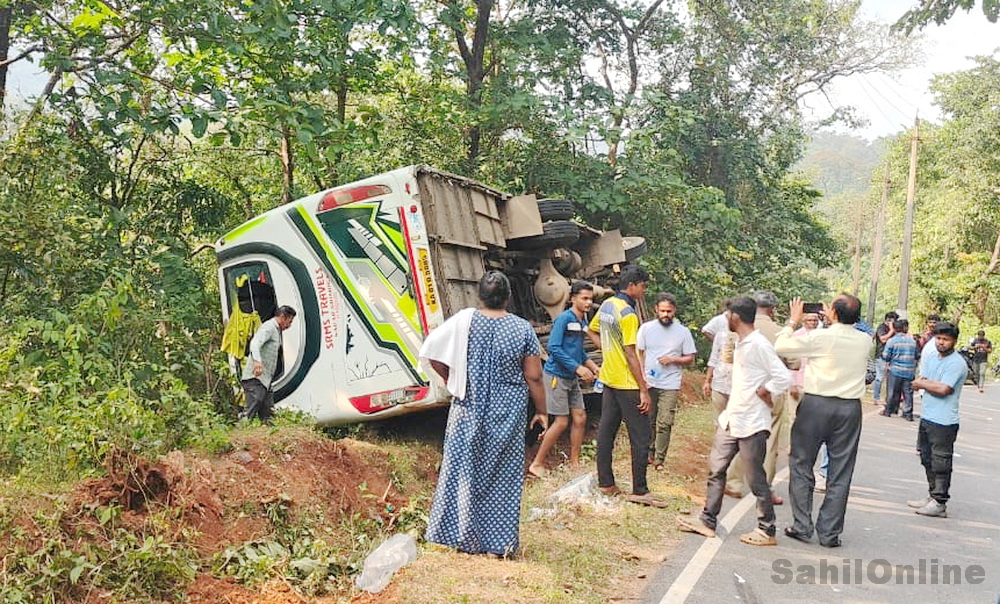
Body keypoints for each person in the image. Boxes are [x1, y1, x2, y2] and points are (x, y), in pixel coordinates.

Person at [421, 271, 548, 556]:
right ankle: (498, 544)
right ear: (508, 297)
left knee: (463, 470)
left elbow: (432, 352)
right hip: (508, 413)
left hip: (467, 409)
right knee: (503, 475)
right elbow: (534, 376)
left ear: (479, 295)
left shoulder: (462, 323)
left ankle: (460, 537)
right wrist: (542, 411)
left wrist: (452, 380)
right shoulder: (521, 329)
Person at [676, 296, 791, 546]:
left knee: (755, 477)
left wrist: (765, 390)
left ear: (735, 317)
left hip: (752, 422)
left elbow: (783, 376)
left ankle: (766, 529)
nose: (725, 319)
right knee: (716, 468)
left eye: (727, 315)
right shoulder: (740, 342)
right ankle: (708, 519)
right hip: (732, 418)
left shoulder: (758, 344)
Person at [776, 294, 872, 548]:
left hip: (817, 404)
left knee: (801, 463)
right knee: (841, 471)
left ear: (834, 314)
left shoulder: (820, 337)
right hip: (849, 408)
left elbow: (782, 347)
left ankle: (802, 525)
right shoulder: (865, 341)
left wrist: (792, 321)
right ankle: (829, 533)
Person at [589, 265, 665, 506]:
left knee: (606, 433)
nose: (643, 291)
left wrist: (608, 350)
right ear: (632, 286)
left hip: (609, 379)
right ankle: (640, 490)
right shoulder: (628, 314)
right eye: (642, 286)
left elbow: (591, 330)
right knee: (641, 436)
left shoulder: (607, 305)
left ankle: (606, 483)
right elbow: (631, 353)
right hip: (627, 383)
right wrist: (643, 388)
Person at [528, 281, 600, 477]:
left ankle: (574, 463)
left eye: (590, 299)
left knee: (580, 418)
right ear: (572, 299)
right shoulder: (564, 319)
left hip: (571, 377)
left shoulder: (582, 321)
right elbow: (554, 348)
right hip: (557, 376)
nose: (588, 303)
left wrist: (593, 367)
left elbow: (578, 351)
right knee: (560, 422)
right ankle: (537, 463)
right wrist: (578, 368)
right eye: (584, 298)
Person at [726, 291, 788, 505]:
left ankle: (733, 482)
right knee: (768, 441)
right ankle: (765, 488)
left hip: (741, 390)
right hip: (768, 391)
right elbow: (793, 364)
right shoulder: (779, 333)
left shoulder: (735, 328)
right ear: (772, 309)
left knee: (739, 436)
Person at [908, 321, 968, 518]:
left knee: (941, 461)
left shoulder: (957, 363)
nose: (941, 342)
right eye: (938, 338)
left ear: (954, 341)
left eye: (946, 339)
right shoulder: (933, 357)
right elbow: (926, 379)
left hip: (944, 421)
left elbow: (944, 389)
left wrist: (923, 384)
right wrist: (924, 383)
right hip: (927, 416)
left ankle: (940, 501)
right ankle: (932, 495)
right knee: (926, 457)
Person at [637, 292, 697, 471]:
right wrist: (642, 377)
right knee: (649, 419)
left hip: (670, 383)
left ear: (674, 311)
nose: (665, 314)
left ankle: (659, 459)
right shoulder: (646, 329)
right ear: (656, 309)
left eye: (669, 311)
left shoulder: (683, 332)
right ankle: (648, 452)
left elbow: (690, 358)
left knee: (665, 421)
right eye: (662, 311)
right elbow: (638, 353)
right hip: (650, 382)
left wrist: (673, 360)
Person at [239, 305, 297, 423]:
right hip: (255, 378)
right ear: (282, 317)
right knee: (252, 407)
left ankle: (270, 437)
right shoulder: (269, 327)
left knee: (268, 413)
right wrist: (257, 362)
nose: (289, 326)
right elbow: (255, 343)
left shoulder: (276, 330)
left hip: (265, 380)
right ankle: (239, 433)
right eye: (289, 322)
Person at [882, 319, 918, 420]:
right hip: (909, 371)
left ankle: (888, 410)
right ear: (904, 328)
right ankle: (908, 414)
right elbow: (916, 355)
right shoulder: (912, 341)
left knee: (892, 391)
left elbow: (886, 356)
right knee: (908, 393)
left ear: (894, 329)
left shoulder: (892, 341)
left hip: (895, 370)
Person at [872, 311, 899, 406]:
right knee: (879, 377)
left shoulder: (894, 330)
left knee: (890, 379)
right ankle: (876, 398)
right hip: (881, 356)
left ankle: (889, 399)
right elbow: (883, 339)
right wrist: (891, 331)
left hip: (891, 357)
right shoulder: (882, 327)